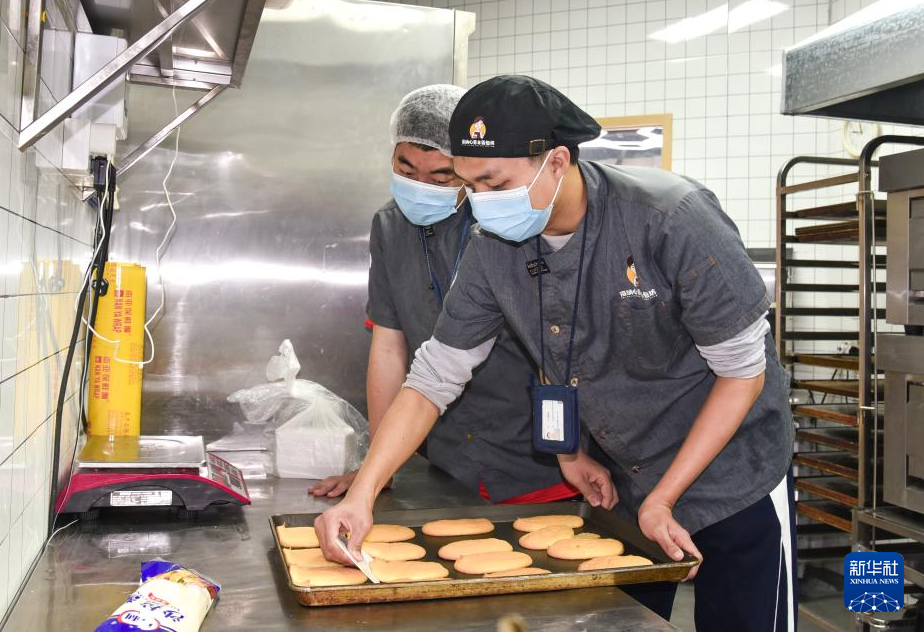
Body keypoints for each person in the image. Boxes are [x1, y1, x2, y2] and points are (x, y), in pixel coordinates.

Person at [316, 76, 798, 632]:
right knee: (629, 623)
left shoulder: (668, 218)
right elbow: (437, 376)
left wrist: (665, 497)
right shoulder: (493, 248)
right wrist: (364, 492)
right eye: (469, 186)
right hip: (629, 477)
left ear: (557, 161)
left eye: (495, 184)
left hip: (735, 473)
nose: (481, 203)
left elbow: (742, 372)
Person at [309, 84, 592, 506]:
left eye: (441, 176)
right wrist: (376, 470)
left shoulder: (512, 218)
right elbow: (388, 347)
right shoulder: (390, 226)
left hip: (539, 460)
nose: (421, 186)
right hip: (450, 463)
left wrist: (571, 449)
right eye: (406, 171)